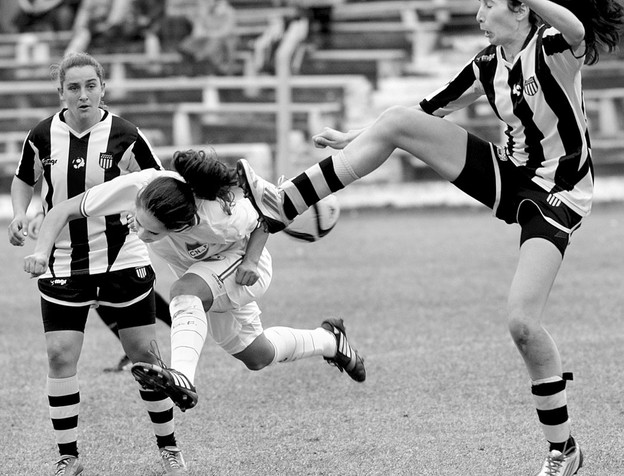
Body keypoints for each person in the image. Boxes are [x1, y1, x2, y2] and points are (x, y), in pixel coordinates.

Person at [235, 1, 624, 474]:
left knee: (523, 324)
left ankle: (563, 449)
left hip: (558, 195)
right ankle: (286, 203)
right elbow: (426, 111)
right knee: (400, 121)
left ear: (521, 10)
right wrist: (359, 137)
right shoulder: (487, 64)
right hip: (508, 176)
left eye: (488, 4)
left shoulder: (555, 47)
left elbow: (576, 25)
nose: (479, 14)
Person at [23, 149, 366, 415]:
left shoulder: (217, 218)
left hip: (245, 267)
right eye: (138, 221)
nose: (138, 232)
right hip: (207, 276)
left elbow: (266, 218)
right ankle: (329, 340)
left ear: (181, 228)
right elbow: (62, 210)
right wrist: (41, 252)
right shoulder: (139, 186)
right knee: (257, 355)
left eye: (150, 232)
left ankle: (182, 376)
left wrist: (249, 260)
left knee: (184, 292)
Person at [7, 52, 187, 476]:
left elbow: (159, 188)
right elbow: (23, 179)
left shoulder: (126, 135)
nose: (83, 94)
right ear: (61, 92)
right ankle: (68, 457)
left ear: (103, 88)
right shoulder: (42, 135)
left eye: (91, 85)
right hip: (64, 261)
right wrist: (19, 213)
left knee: (144, 353)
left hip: (123, 258)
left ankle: (169, 447)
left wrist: (148, 226)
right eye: (74, 87)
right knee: (59, 355)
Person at [27, 210, 173, 373]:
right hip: (77, 248)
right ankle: (136, 350)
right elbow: (59, 189)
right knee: (100, 301)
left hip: (117, 242)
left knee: (131, 294)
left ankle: (178, 330)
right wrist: (42, 212)